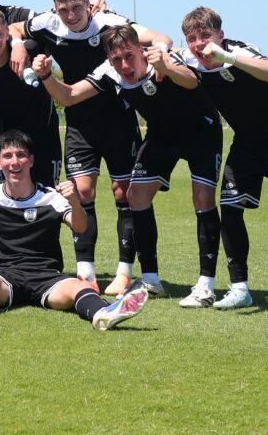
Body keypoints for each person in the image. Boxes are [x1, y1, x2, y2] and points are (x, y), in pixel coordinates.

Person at [34, 25, 223, 305]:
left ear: (140, 50)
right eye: (116, 59)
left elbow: (191, 81)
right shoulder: (109, 71)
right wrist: (46, 76)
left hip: (201, 132)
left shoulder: (160, 56)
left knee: (203, 198)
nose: (124, 65)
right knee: (136, 195)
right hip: (162, 135)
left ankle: (206, 286)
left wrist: (167, 67)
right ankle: (150, 280)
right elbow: (69, 96)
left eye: (129, 56)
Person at [15, 0, 172, 293]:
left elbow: (160, 38)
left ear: (88, 4)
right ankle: (86, 275)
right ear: (55, 9)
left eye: (77, 7)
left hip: (118, 121)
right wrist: (18, 44)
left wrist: (161, 58)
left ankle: (125, 272)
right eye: (64, 10)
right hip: (79, 124)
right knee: (82, 192)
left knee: (123, 193)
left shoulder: (108, 22)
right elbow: (14, 29)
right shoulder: (47, 22)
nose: (71, 16)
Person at [0, 130, 149, 330]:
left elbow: (80, 226)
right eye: (7, 156)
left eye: (21, 155)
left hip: (47, 277)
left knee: (80, 286)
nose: (14, 162)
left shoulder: (51, 197)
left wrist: (74, 201)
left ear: (31, 160)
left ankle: (103, 314)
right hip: (4, 277)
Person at [180, 7, 268, 315]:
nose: (199, 44)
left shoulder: (238, 51)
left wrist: (228, 58)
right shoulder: (189, 59)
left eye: (206, 36)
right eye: (192, 38)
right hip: (247, 141)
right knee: (230, 209)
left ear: (220, 36)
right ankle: (240, 289)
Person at [0, 6, 62, 187]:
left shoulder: (32, 50)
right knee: (4, 201)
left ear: (7, 32)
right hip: (4, 147)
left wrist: (94, 5)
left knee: (47, 200)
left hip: (43, 143)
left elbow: (61, 20)